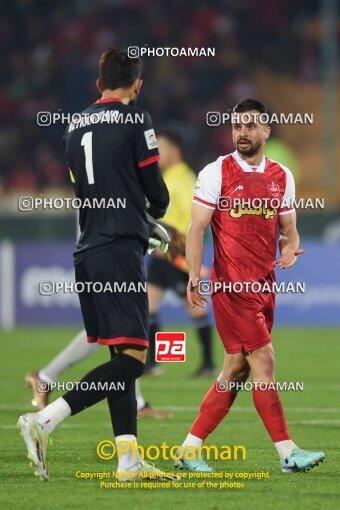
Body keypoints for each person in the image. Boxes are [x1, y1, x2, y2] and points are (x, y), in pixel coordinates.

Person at [18, 47, 176, 481]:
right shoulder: (135, 118)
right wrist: (152, 215)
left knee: (119, 355)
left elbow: (98, 186)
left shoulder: (73, 125)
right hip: (118, 250)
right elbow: (155, 191)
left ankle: (128, 461)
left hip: (87, 250)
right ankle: (43, 421)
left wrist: (135, 218)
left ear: (98, 83)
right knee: (132, 361)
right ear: (137, 86)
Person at [175, 99, 325, 473]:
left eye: (250, 126)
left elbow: (289, 230)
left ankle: (189, 449)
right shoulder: (217, 172)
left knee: (235, 372)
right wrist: (194, 275)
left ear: (266, 131)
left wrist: (289, 249)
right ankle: (287, 452)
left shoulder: (282, 175)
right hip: (231, 287)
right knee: (264, 360)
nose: (242, 133)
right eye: (237, 127)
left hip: (265, 286)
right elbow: (196, 228)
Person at [146, 129, 215, 377]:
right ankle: (152, 362)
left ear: (175, 150)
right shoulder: (168, 177)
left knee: (195, 308)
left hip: (176, 255)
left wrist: (179, 250)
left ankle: (208, 363)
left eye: (161, 147)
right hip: (161, 254)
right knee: (148, 303)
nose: (157, 153)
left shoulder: (184, 179)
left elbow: (192, 220)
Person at [25, 330, 172, 419]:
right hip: (110, 278)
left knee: (106, 326)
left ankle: (45, 377)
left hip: (103, 279)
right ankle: (46, 414)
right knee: (122, 325)